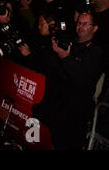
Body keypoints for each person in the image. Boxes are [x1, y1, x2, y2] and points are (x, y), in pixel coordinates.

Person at [32, 12, 104, 150]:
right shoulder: (69, 43)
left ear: (94, 28)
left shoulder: (96, 52)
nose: (80, 27)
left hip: (73, 118)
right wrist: (55, 51)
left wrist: (65, 57)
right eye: (78, 23)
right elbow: (51, 70)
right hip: (56, 110)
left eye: (85, 24)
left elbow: (85, 81)